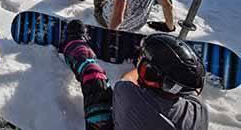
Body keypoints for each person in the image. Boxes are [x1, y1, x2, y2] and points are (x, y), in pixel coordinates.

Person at [61, 20, 208, 130]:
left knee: (94, 76)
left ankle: (74, 44)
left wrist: (139, 62)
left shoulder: (129, 96)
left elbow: (128, 79)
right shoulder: (199, 111)